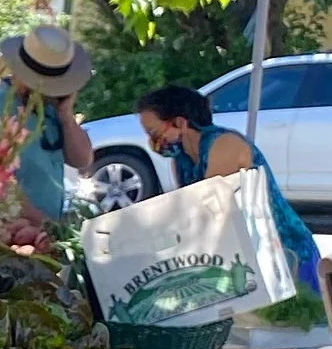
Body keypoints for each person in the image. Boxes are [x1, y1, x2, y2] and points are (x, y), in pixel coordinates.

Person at [137, 79, 324, 297]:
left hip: (287, 252)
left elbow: (207, 208)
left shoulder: (224, 144)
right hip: (246, 256)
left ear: (180, 122)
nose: (152, 142)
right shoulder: (181, 161)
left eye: (153, 132)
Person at [0, 23, 93, 231]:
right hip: (13, 236)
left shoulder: (49, 107)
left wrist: (66, 116)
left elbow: (83, 160)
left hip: (42, 233)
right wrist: (49, 229)